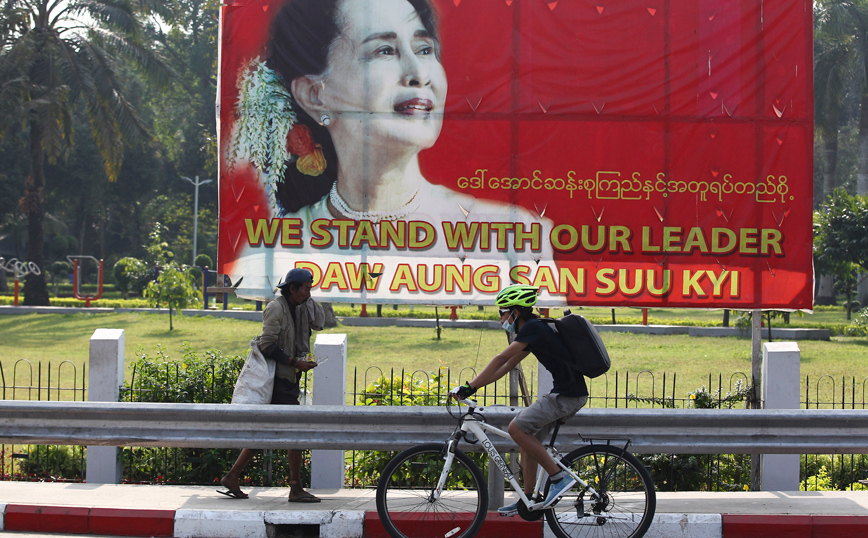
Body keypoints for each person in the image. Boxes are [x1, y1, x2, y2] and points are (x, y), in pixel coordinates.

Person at [225, 0, 557, 301]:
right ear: (315, 94)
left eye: (424, 49)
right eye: (384, 50)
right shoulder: (274, 249)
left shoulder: (514, 234)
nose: (418, 74)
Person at [449, 284, 588, 515]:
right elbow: (506, 366)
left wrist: (469, 386)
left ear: (515, 311)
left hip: (566, 396)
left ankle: (558, 478)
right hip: (568, 394)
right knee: (527, 440)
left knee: (516, 428)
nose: (501, 318)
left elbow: (500, 357)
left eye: (502, 312)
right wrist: (475, 387)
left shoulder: (533, 328)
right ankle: (529, 498)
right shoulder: (533, 331)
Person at [218, 267, 325, 502]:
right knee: (295, 432)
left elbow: (319, 323)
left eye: (310, 289)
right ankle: (295, 488)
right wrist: (295, 363)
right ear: (292, 288)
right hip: (278, 380)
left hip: (290, 379)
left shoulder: (302, 305)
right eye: (305, 288)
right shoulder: (275, 308)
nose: (308, 292)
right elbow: (267, 345)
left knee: (267, 433)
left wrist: (308, 299)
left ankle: (232, 476)